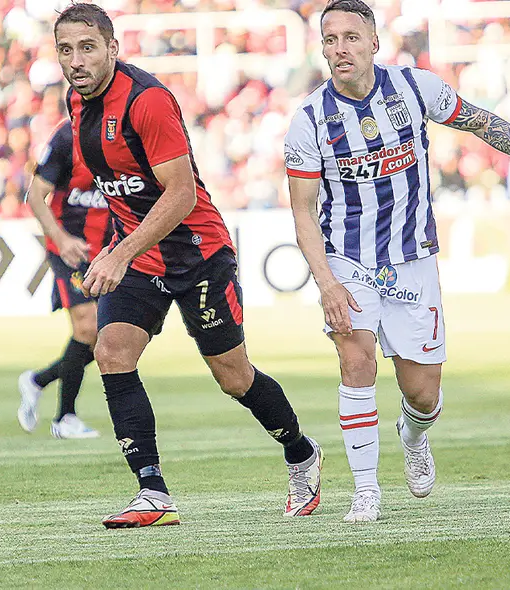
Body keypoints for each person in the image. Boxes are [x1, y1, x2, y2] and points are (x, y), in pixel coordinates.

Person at [286, 0, 510, 523]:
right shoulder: (308, 119)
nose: (341, 49)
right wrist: (328, 283)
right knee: (355, 361)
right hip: (348, 260)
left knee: (422, 393)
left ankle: (415, 433)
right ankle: (365, 492)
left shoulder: (413, 87)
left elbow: (478, 120)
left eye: (352, 38)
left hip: (412, 261)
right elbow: (303, 213)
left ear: (374, 42)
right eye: (331, 39)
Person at [54, 2, 322, 529]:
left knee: (233, 376)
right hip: (138, 253)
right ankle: (151, 491)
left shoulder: (147, 101)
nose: (76, 60)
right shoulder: (76, 100)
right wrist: (116, 244)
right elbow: (121, 187)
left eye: (88, 47)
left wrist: (121, 250)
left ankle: (301, 452)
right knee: (111, 351)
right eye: (66, 49)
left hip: (198, 254)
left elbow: (179, 195)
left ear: (112, 47)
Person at [17, 121, 112, 439]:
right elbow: (35, 195)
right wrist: (60, 237)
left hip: (111, 250)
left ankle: (37, 381)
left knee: (111, 337)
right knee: (88, 328)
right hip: (70, 248)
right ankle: (65, 419)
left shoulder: (130, 130)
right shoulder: (66, 137)